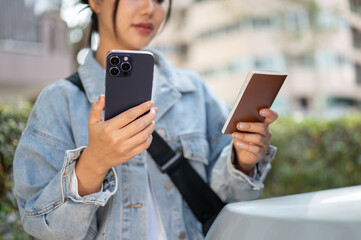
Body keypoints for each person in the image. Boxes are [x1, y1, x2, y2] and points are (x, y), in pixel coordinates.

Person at [13, 0, 278, 239]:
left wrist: (243, 161)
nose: (150, 9)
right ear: (96, 2)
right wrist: (93, 164)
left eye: (161, 0)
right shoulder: (59, 103)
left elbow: (228, 202)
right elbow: (42, 228)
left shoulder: (194, 91)